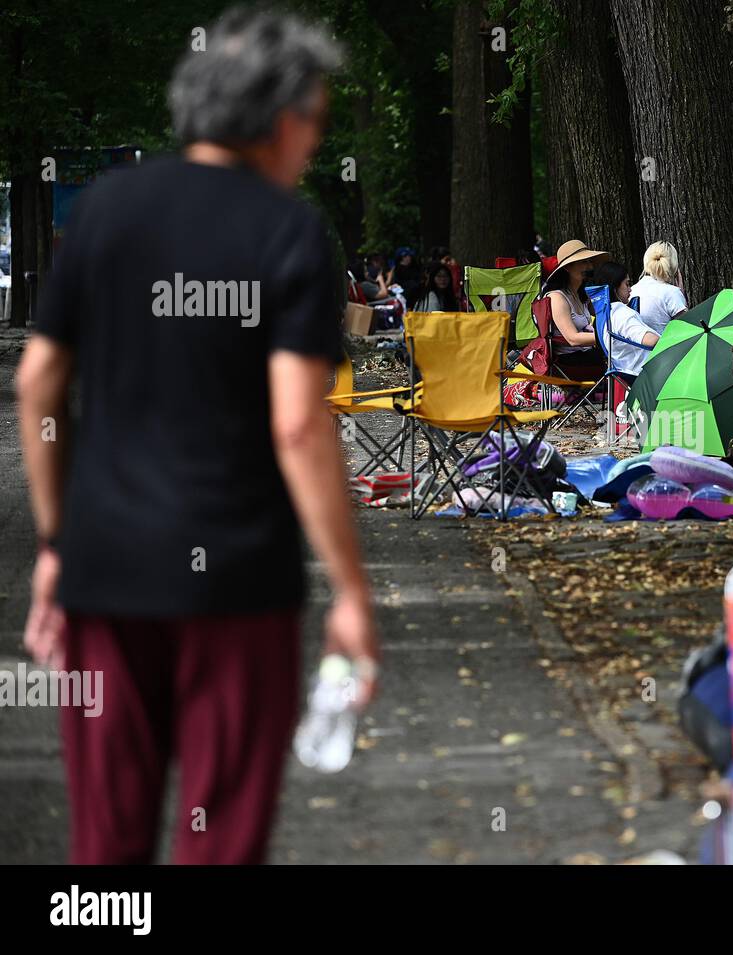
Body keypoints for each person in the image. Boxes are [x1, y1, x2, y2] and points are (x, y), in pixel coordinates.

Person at [15, 7, 379, 864]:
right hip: (239, 585)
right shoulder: (288, 231)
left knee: (106, 843)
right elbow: (297, 422)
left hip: (104, 569)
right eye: (316, 124)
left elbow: (38, 380)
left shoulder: (104, 212)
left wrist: (57, 541)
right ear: (280, 120)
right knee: (220, 836)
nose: (314, 146)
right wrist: (352, 589)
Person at [590, 261, 658, 377]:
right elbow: (651, 340)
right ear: (615, 287)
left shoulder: (604, 315)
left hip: (626, 373)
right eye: (627, 284)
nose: (630, 289)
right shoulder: (621, 313)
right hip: (648, 373)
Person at [543, 238, 607, 356]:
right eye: (583, 262)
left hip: (588, 352)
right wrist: (609, 337)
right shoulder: (557, 298)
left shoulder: (582, 294)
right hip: (569, 359)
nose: (589, 267)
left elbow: (603, 314)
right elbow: (573, 339)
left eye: (589, 261)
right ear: (567, 268)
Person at [629, 240, 687, 334]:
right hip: (665, 347)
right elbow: (686, 329)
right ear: (673, 264)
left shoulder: (632, 290)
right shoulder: (672, 293)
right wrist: (681, 295)